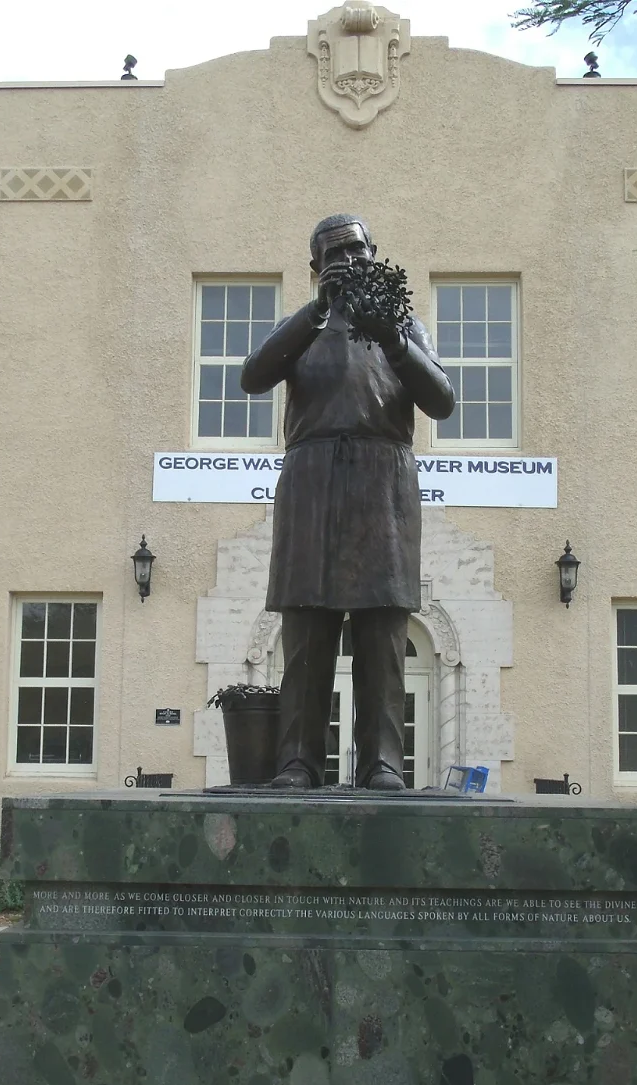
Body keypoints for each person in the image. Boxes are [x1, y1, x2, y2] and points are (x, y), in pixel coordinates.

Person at [240, 214, 455, 790]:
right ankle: (298, 761)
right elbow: (252, 377)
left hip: (383, 486)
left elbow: (442, 400)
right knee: (306, 628)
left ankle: (382, 761)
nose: (348, 261)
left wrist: (393, 338)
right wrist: (315, 311)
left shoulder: (402, 326)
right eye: (334, 255)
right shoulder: (300, 328)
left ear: (373, 253)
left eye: (356, 250)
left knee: (383, 630)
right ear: (315, 267)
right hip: (311, 485)